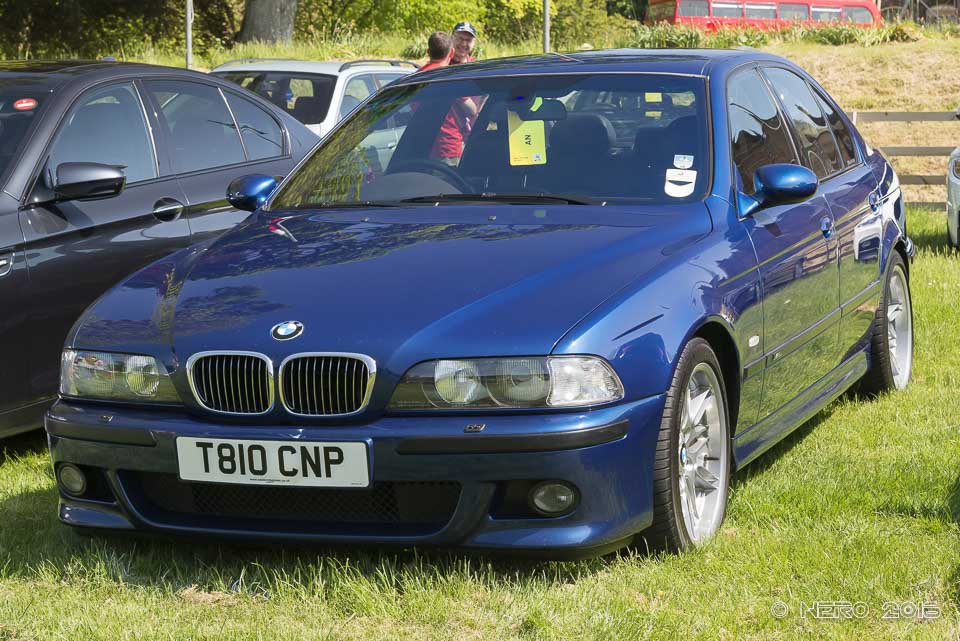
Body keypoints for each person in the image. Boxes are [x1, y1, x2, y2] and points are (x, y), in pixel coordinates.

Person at [431, 21, 481, 165]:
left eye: (468, 40)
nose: (463, 44)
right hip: (448, 145)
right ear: (452, 38)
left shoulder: (478, 69)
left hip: (474, 142)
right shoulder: (442, 67)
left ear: (474, 43)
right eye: (460, 38)